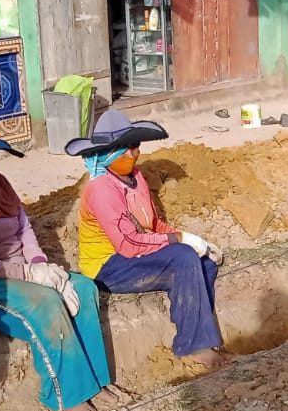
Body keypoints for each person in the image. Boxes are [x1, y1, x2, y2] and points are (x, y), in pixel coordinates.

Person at [0, 106, 122, 411]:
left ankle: (94, 380)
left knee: (83, 288)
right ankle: (66, 395)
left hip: (19, 269)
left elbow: (24, 231)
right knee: (46, 305)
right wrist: (32, 275)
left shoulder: (1, 184)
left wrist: (40, 264)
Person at [66, 110, 228, 367]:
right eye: (128, 148)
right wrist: (178, 239)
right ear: (110, 153)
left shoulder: (137, 177)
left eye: (136, 146)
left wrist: (195, 241)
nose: (135, 153)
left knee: (204, 263)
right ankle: (194, 345)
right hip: (109, 266)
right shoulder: (101, 190)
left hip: (138, 252)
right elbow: (128, 244)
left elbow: (153, 225)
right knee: (184, 257)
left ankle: (201, 333)